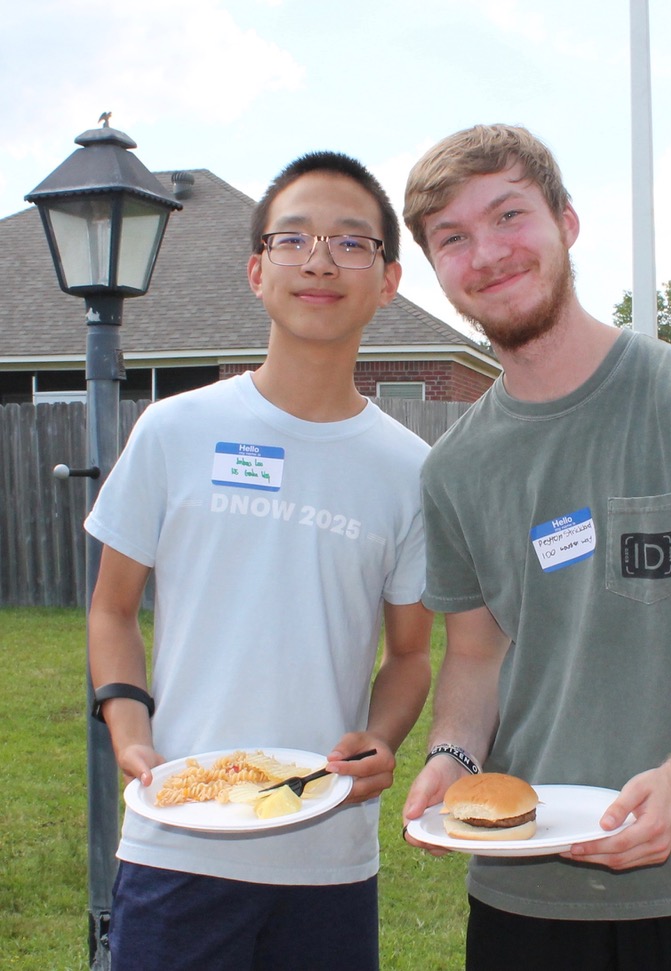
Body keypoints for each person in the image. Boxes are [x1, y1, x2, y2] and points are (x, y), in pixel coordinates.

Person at [401, 124, 671, 971]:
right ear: (436, 269)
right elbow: (477, 658)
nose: (486, 253)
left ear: (566, 221)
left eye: (508, 215)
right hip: (526, 885)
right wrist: (452, 754)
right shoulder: (452, 468)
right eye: (452, 238)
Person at [85, 150, 433, 971]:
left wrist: (381, 737)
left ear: (387, 281)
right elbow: (110, 607)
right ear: (255, 269)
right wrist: (130, 733)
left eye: (352, 243)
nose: (319, 260)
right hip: (178, 840)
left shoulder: (410, 469)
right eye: (293, 239)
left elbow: (412, 654)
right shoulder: (174, 431)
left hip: (329, 857)